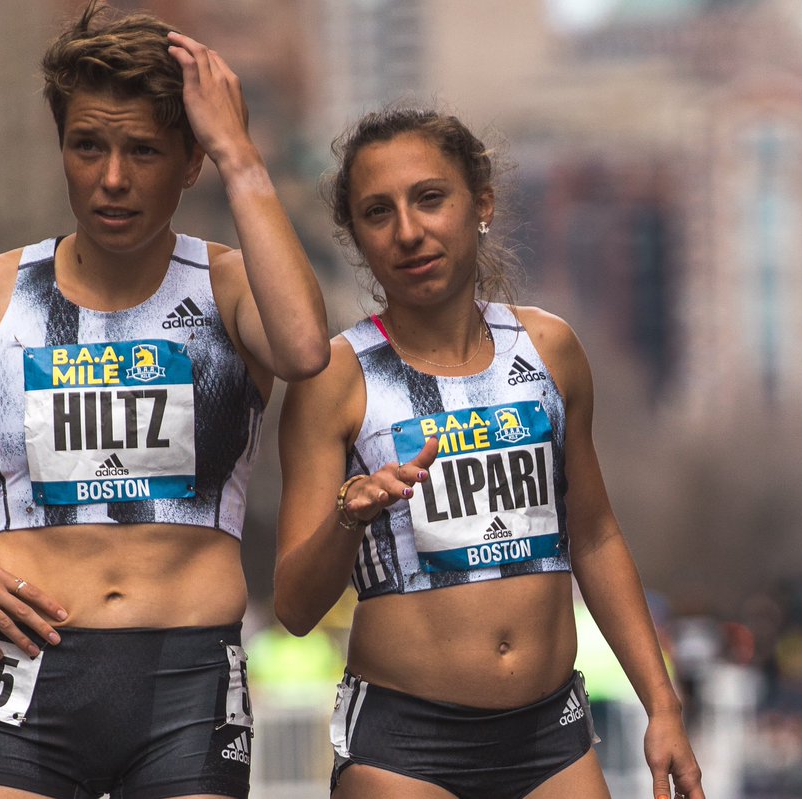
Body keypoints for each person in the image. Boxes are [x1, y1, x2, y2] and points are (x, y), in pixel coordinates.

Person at [0, 3, 329, 798]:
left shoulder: (229, 287)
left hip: (186, 681)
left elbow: (303, 350)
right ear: (63, 150)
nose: (112, 178)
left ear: (190, 163)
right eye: (88, 146)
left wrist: (241, 156)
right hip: (30, 676)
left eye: (144, 150)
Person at [273, 106, 705, 799]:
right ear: (356, 234)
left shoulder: (550, 349)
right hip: (404, 746)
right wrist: (349, 516)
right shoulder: (336, 376)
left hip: (550, 736)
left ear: (482, 203)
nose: (409, 231)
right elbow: (294, 606)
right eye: (378, 212)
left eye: (430, 198)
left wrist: (663, 705)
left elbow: (594, 537)